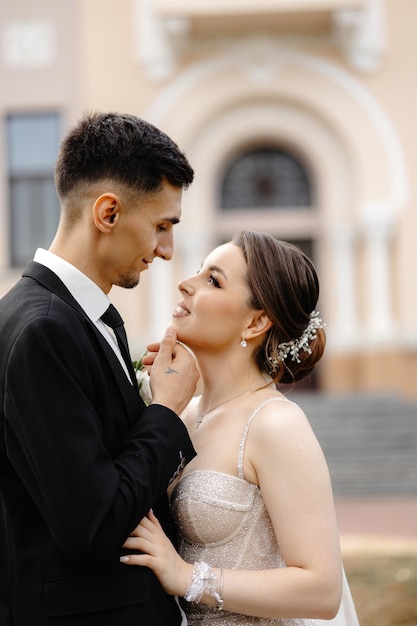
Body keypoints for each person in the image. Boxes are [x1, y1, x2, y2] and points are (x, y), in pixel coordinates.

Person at [0, 112, 200, 626]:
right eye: (161, 225)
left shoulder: (63, 317)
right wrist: (166, 413)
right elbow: (92, 525)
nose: (166, 249)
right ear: (107, 213)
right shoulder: (45, 329)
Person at [121, 230, 360, 626]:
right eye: (199, 271)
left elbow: (322, 590)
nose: (185, 282)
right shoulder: (179, 413)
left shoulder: (275, 424)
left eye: (212, 280)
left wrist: (186, 577)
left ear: (256, 322)